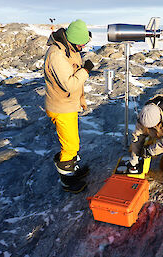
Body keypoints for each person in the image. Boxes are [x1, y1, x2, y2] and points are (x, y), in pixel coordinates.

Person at [44, 19, 94, 193]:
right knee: (70, 146)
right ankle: (67, 181)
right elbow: (69, 84)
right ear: (72, 39)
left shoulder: (69, 48)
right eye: (81, 43)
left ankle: (72, 169)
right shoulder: (57, 55)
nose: (83, 46)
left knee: (73, 142)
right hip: (61, 107)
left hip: (69, 104)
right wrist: (85, 71)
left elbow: (73, 75)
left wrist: (80, 99)